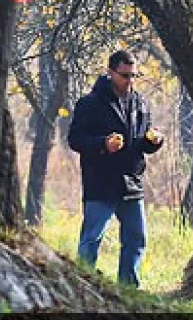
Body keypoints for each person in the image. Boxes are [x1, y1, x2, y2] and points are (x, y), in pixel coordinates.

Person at [67, 50, 163, 287]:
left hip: (131, 182)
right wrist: (102, 144)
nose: (129, 81)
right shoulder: (89, 104)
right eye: (124, 75)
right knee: (91, 239)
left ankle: (129, 289)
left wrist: (154, 142)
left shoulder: (141, 103)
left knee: (136, 239)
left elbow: (140, 143)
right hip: (100, 182)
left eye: (133, 76)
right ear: (110, 73)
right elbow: (75, 139)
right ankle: (83, 286)